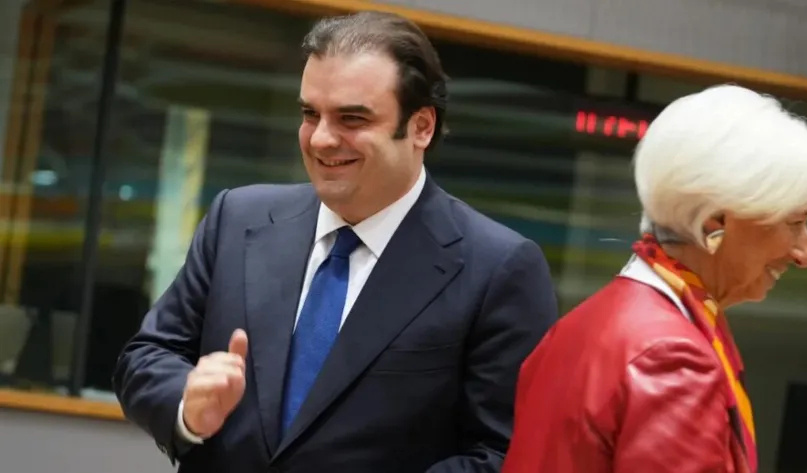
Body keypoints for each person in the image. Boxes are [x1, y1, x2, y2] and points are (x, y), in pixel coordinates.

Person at [112, 11, 558, 473]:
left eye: (352, 118)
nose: (322, 139)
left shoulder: (498, 268)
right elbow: (146, 357)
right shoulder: (237, 219)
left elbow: (505, 454)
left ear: (421, 127)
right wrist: (187, 405)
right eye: (310, 114)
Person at [500, 84, 807, 473]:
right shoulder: (672, 356)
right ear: (714, 220)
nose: (804, 254)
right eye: (795, 222)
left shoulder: (586, 321)